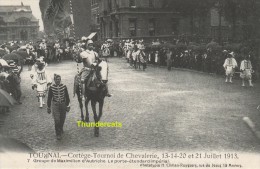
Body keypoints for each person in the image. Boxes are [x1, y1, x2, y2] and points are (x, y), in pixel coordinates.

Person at [47, 74, 70, 140]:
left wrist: (68, 105)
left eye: (59, 79)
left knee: (62, 118)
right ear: (54, 80)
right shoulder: (51, 87)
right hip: (55, 105)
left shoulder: (64, 86)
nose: (58, 81)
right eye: (57, 79)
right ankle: (58, 133)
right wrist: (48, 107)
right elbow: (49, 97)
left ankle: (61, 127)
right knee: (57, 119)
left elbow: (67, 96)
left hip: (63, 104)